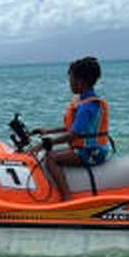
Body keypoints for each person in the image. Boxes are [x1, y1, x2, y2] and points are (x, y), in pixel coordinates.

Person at [29, 56, 111, 200]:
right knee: (54, 152)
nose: (70, 83)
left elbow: (73, 135)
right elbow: (74, 128)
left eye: (71, 80)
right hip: (89, 148)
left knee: (51, 158)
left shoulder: (87, 106)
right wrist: (48, 131)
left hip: (92, 152)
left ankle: (66, 196)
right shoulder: (85, 101)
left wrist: (45, 144)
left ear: (81, 82)